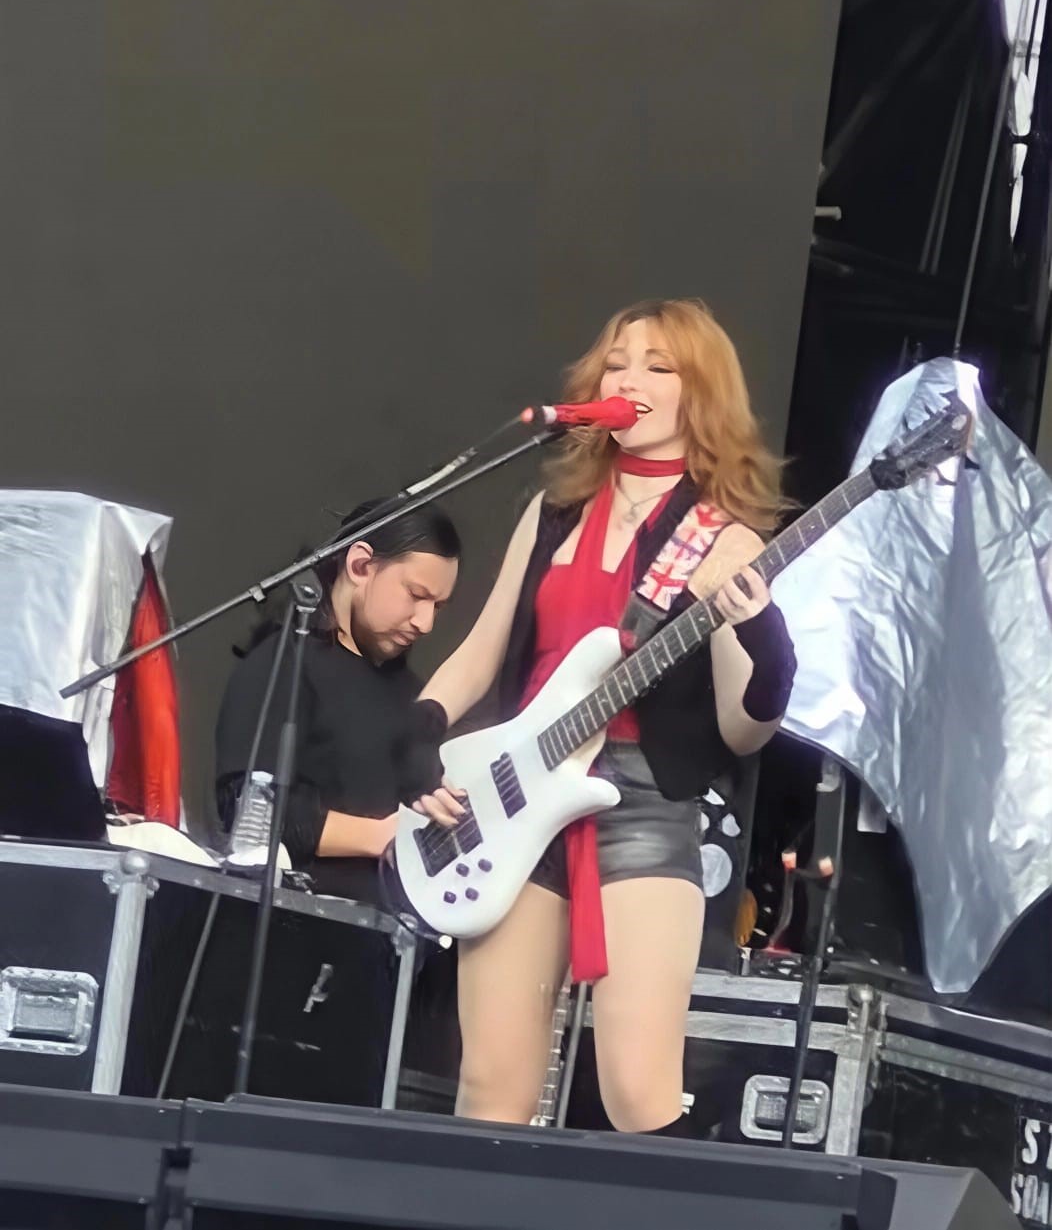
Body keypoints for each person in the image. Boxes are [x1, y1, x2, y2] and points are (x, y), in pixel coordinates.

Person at [404, 298, 796, 1135]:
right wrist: (423, 730)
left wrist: (757, 626)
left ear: (702, 393)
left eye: (658, 366)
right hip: (518, 793)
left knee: (639, 1093)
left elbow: (747, 725)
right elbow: (483, 648)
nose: (629, 379)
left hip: (643, 803)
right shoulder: (553, 512)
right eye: (616, 363)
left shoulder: (722, 536)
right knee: (491, 1089)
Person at [214, 500, 461, 905]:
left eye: (438, 606)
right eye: (416, 595)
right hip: (298, 915)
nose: (426, 622)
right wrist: (382, 835)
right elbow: (250, 809)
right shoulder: (284, 664)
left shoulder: (417, 698)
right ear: (360, 565)